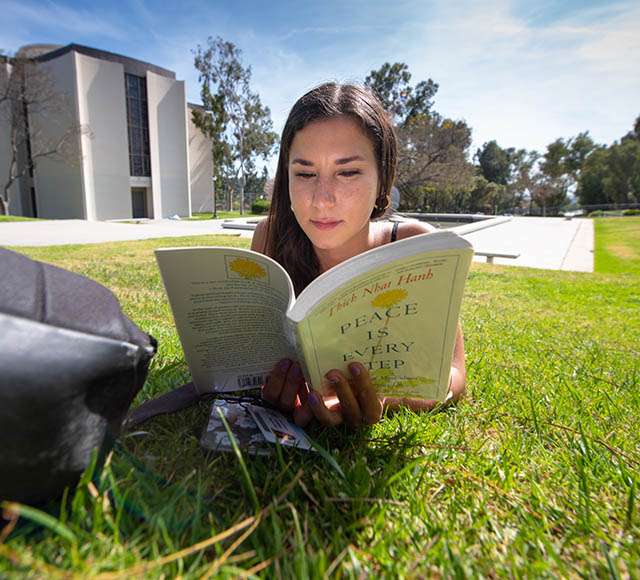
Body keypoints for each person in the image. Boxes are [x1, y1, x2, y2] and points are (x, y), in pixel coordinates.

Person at [251, 82, 465, 428]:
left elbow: (454, 375)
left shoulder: (414, 246)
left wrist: (386, 397)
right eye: (305, 174)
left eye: (348, 172)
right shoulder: (270, 237)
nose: (322, 198)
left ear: (383, 180)